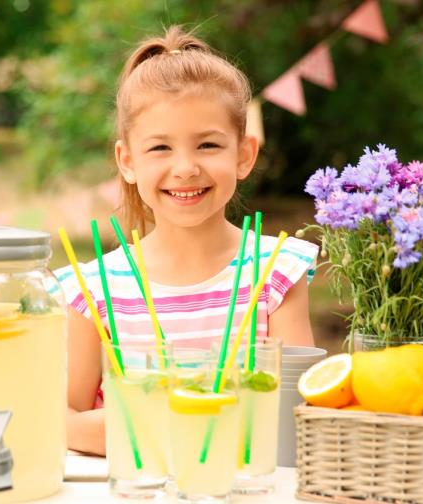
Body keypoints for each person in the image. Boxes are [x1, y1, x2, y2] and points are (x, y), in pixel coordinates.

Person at [54, 26, 319, 456]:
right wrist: (202, 419)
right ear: (127, 161)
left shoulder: (277, 274)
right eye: (160, 148)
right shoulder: (93, 289)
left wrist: (150, 422)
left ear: (244, 156)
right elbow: (59, 420)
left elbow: (294, 416)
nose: (185, 168)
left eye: (208, 145)